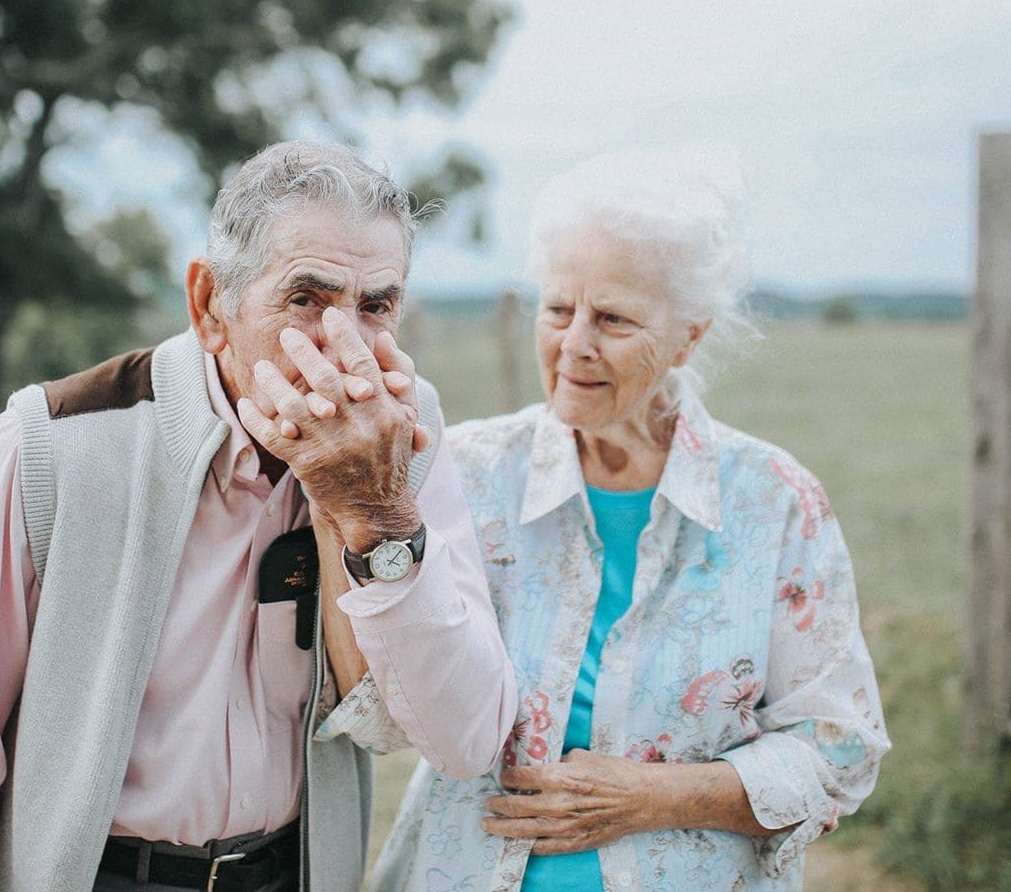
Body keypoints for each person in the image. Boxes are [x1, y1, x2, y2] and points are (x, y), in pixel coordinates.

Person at [0, 142, 518, 892]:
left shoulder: (405, 432)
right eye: (308, 297)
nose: (349, 348)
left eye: (376, 306)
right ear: (210, 305)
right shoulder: (43, 449)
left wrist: (376, 516)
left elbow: (464, 739)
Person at [348, 144, 889, 890]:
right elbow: (382, 708)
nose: (575, 346)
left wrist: (651, 798)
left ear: (688, 336)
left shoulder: (775, 501)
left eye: (613, 319)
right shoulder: (466, 473)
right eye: (559, 309)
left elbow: (840, 748)